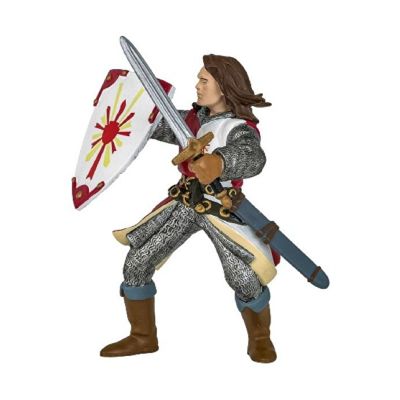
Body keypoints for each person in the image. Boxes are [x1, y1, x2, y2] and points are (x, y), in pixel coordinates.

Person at [100, 54, 279, 363]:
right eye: (198, 79)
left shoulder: (239, 128)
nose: (197, 86)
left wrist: (220, 162)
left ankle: (260, 338)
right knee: (137, 262)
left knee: (243, 276)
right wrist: (118, 106)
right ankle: (142, 336)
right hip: (185, 201)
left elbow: (253, 157)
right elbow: (153, 125)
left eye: (204, 80)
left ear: (224, 87)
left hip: (220, 207)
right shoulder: (193, 122)